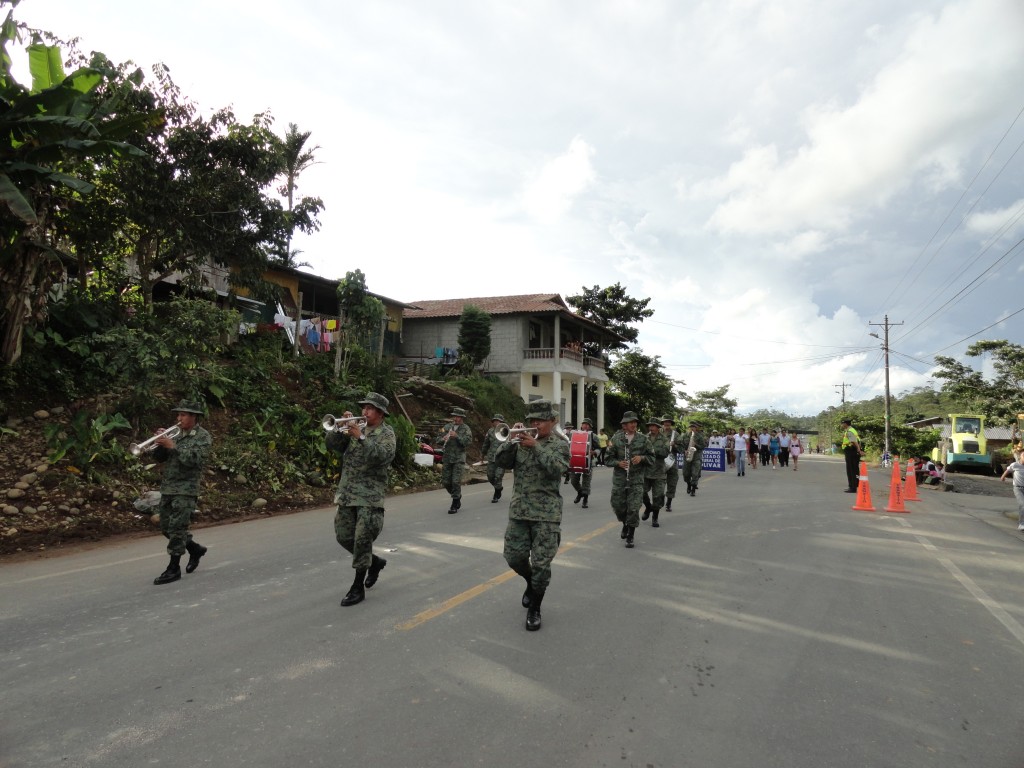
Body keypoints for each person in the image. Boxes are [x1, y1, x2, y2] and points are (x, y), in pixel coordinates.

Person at [493, 399, 571, 631]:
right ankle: (530, 582)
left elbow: (558, 468)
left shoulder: (559, 445)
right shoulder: (519, 443)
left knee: (541, 565)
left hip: (546, 514)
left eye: (540, 420)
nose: (535, 424)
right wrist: (510, 440)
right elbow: (500, 461)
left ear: (553, 421)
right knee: (513, 557)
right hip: (519, 511)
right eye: (532, 420)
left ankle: (535, 607)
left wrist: (535, 446)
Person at [327, 393, 397, 607]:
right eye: (364, 407)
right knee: (343, 536)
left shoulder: (387, 434)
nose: (364, 411)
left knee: (361, 540)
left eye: (370, 408)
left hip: (369, 497)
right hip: (347, 494)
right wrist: (341, 429)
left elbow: (382, 457)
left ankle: (357, 587)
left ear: (381, 413)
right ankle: (374, 562)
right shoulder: (356, 428)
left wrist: (361, 437)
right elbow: (332, 446)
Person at [151, 399, 213, 585]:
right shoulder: (175, 434)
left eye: (183, 415)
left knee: (177, 529)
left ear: (194, 417)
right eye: (178, 414)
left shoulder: (202, 437)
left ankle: (173, 568)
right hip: (168, 487)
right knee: (166, 528)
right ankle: (194, 549)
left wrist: (173, 446)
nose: (179, 418)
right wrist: (160, 443)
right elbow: (159, 458)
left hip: (186, 489)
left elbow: (195, 460)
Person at [605, 411, 653, 548]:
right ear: (624, 425)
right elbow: (607, 459)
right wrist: (618, 463)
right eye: (631, 422)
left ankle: (630, 535)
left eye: (635, 422)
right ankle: (625, 523)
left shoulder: (643, 439)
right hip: (620, 480)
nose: (634, 424)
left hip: (636, 480)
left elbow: (652, 458)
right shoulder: (616, 439)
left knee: (633, 508)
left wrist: (642, 458)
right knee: (618, 507)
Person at [441, 407, 472, 513]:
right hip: (447, 457)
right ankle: (457, 496)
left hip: (459, 458)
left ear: (462, 417)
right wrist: (443, 438)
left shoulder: (466, 428)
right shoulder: (447, 427)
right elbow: (437, 439)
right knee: (446, 482)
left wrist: (457, 436)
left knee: (455, 481)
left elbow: (467, 442)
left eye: (458, 416)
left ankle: (454, 503)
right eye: (455, 416)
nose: (456, 418)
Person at [641, 418, 670, 527]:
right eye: (650, 426)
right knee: (641, 492)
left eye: (653, 426)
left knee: (658, 496)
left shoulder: (664, 439)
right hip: (646, 471)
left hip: (658, 472)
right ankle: (648, 507)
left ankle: (655, 517)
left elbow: (665, 452)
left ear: (658, 427)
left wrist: (651, 451)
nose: (651, 428)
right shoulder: (644, 438)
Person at [569, 417, 597, 508]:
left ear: (590, 427)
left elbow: (599, 448)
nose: (585, 426)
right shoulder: (575, 434)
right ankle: (580, 493)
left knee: (586, 483)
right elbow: (570, 445)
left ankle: (585, 500)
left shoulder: (593, 436)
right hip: (576, 461)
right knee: (573, 481)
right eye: (584, 424)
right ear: (581, 425)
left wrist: (595, 452)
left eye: (588, 425)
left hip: (588, 462)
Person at [481, 413, 506, 503]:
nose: (496, 422)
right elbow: (486, 443)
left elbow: (511, 443)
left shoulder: (506, 430)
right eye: (495, 421)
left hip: (502, 457)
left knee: (498, 476)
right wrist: (483, 455)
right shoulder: (490, 431)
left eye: (498, 421)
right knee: (490, 476)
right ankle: (499, 487)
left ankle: (496, 493)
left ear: (502, 422)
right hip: (491, 457)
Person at [681, 420, 708, 496]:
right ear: (689, 428)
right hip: (687, 456)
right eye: (691, 427)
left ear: (696, 428)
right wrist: (684, 451)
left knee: (695, 473)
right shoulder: (684, 435)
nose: (692, 428)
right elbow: (681, 445)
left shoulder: (700, 436)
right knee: (686, 474)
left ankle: (693, 489)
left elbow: (703, 446)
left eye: (694, 427)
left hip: (696, 457)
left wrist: (696, 445)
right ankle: (688, 484)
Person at [660, 416, 681, 510]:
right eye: (665, 422)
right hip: (659, 462)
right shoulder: (657, 432)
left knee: (672, 482)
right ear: (662, 423)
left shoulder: (675, 434)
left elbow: (681, 449)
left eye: (668, 422)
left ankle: (668, 503)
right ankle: (659, 500)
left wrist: (675, 445)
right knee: (659, 483)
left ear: (671, 423)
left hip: (671, 461)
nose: (667, 423)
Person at [1001, 451, 1024, 530]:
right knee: (1022, 504)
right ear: (1020, 456)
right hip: (1018, 488)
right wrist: (1003, 477)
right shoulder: (1015, 465)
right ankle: (1021, 524)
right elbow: (1008, 470)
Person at [840, 418, 864, 493]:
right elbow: (858, 441)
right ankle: (856, 485)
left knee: (851, 470)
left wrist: (858, 450)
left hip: (851, 451)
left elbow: (853, 441)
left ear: (845, 424)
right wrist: (859, 450)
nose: (841, 425)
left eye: (842, 423)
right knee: (855, 469)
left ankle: (852, 487)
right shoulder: (852, 430)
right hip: (853, 451)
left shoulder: (849, 431)